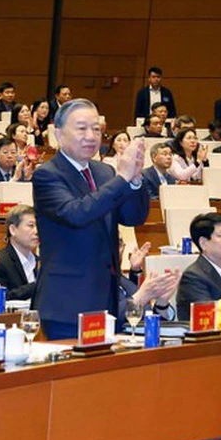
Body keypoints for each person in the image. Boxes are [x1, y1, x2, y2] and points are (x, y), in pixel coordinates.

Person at [31, 99, 149, 339]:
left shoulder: (104, 171)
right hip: (67, 301)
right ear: (58, 134)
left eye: (96, 129)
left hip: (106, 299)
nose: (91, 136)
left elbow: (132, 216)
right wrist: (122, 179)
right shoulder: (47, 174)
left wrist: (135, 180)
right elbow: (77, 213)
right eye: (81, 128)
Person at [0, 205, 40, 301]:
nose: (37, 231)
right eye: (31, 226)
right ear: (13, 230)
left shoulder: (40, 262)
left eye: (39, 226)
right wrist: (36, 286)